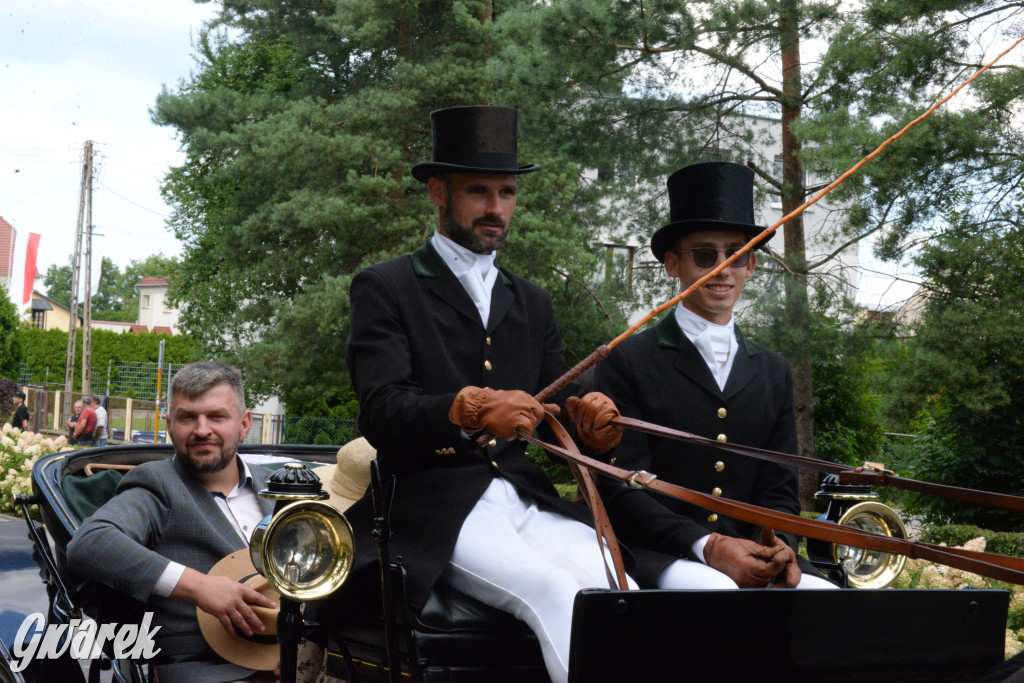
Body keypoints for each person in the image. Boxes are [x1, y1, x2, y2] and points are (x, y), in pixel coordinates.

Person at [343, 105, 633, 683]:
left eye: (507, 192)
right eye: (478, 191)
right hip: (431, 504)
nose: (496, 208)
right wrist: (466, 409)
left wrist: (590, 423)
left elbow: (558, 409)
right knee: (555, 590)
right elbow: (380, 410)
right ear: (438, 193)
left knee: (619, 590)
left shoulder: (533, 302)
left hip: (524, 495)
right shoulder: (386, 286)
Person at [583, 161, 836, 590]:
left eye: (737, 254)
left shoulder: (773, 371)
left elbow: (779, 491)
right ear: (672, 263)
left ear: (751, 265)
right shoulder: (628, 360)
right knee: (718, 593)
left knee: (828, 599)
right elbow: (623, 488)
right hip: (662, 550)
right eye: (705, 255)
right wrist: (706, 546)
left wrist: (780, 545)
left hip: (753, 550)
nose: (723, 268)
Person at [67, 362, 279, 682]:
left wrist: (305, 654)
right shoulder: (157, 484)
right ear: (169, 424)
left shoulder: (279, 487)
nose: (202, 430)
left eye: (217, 416)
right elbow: (90, 542)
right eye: (188, 417)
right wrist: (199, 587)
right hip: (202, 669)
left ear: (244, 423)